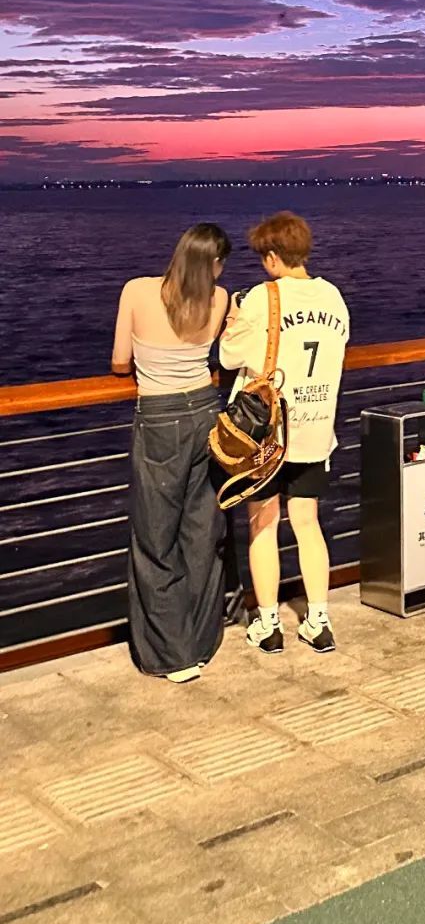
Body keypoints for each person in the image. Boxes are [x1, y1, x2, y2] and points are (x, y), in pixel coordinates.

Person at [219, 212, 349, 654]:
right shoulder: (333, 296)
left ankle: (269, 624)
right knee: (308, 524)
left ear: (273, 256)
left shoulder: (263, 297)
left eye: (263, 257)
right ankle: (318, 621)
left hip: (270, 436)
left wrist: (235, 318)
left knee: (263, 523)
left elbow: (230, 356)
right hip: (316, 429)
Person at [112, 223, 231, 683]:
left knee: (154, 537)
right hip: (205, 411)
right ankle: (201, 642)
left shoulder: (137, 291)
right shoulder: (219, 299)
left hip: (160, 418)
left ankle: (172, 653)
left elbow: (120, 362)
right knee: (201, 531)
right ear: (214, 264)